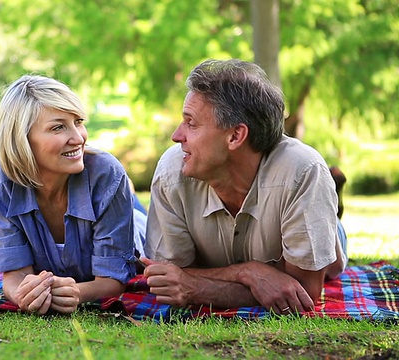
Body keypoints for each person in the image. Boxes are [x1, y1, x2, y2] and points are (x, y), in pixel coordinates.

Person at [142, 59, 348, 315]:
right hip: (279, 227)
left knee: (331, 251)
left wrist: (195, 286)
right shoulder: (172, 174)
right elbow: (171, 280)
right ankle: (323, 205)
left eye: (191, 123)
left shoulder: (302, 172)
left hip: (314, 217)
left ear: (235, 136)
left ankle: (329, 211)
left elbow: (302, 293)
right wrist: (249, 272)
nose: (176, 135)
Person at [0, 74, 146, 315]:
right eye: (58, 127)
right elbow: (15, 275)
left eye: (78, 122)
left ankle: (126, 194)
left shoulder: (107, 173)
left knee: (129, 206)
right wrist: (24, 295)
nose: (79, 138)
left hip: (135, 227)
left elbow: (112, 281)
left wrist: (75, 294)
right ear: (21, 139)